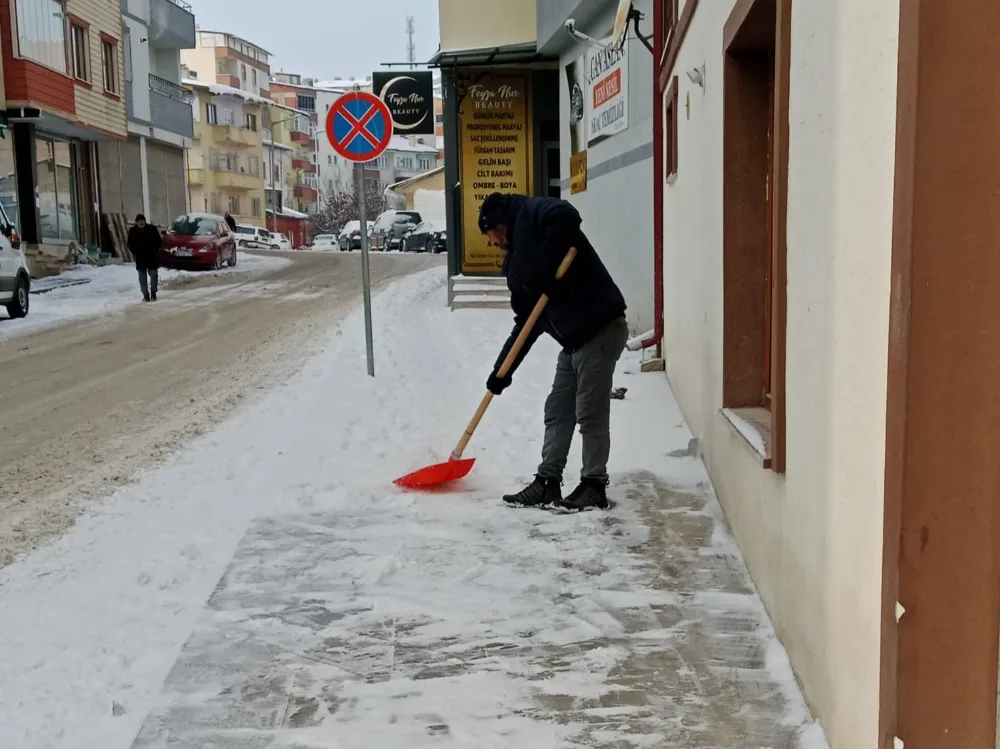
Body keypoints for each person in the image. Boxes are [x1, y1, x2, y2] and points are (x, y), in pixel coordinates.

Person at [479, 192, 629, 512]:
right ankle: (548, 482)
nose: (490, 243)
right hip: (573, 342)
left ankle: (593, 484)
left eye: (488, 234)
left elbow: (566, 216)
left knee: (589, 412)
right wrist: (501, 371)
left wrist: (549, 268)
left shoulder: (534, 213)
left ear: (500, 226)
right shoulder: (516, 266)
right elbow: (526, 324)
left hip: (600, 328)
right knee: (558, 410)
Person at [127, 213, 162, 302]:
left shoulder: (152, 229)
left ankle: (153, 293)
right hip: (140, 257)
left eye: (142, 220)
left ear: (145, 221)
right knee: (142, 278)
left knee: (154, 275)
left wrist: (155, 250)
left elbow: (158, 241)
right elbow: (130, 244)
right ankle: (145, 295)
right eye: (139, 221)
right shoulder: (133, 231)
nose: (141, 222)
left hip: (152, 256)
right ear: (136, 222)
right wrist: (135, 252)